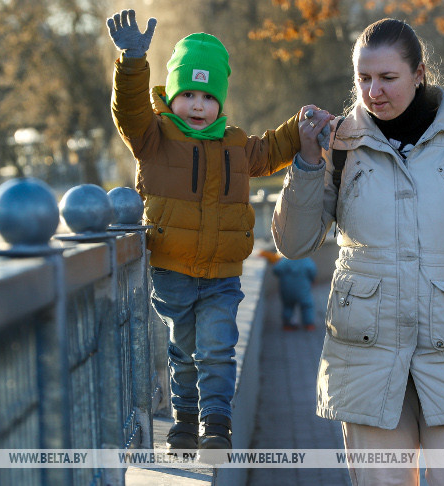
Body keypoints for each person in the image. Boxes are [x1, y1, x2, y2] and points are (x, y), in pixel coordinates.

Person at [271, 18, 444, 485]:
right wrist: (308, 163)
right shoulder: (337, 145)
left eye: (387, 78)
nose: (373, 91)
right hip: (366, 356)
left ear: (419, 73)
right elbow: (293, 244)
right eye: (363, 78)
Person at [106, 10, 332, 451]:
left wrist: (299, 127)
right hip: (172, 270)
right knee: (182, 352)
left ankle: (216, 425)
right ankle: (184, 422)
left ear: (220, 103)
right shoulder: (154, 138)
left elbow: (271, 151)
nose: (196, 105)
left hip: (223, 275)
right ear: (171, 96)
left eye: (207, 97)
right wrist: (133, 61)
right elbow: (129, 112)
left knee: (215, 347)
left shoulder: (235, 145)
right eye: (187, 93)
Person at [272, 255, 318, 331]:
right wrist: (312, 280)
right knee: (307, 305)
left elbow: (276, 270)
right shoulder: (306, 259)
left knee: (288, 306)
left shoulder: (285, 259)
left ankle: (287, 324)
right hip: (303, 289)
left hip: (287, 288)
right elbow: (313, 271)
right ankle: (309, 324)